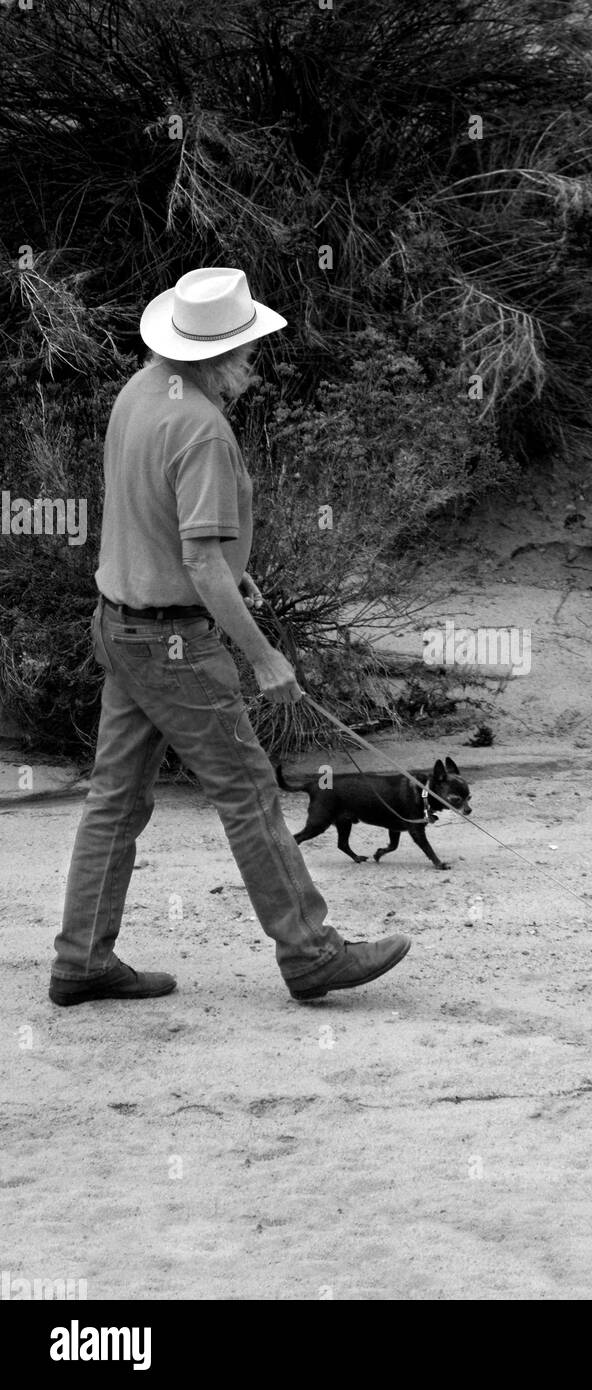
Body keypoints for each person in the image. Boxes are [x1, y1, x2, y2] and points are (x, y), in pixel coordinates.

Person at [50, 267, 410, 1006]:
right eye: (245, 350)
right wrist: (265, 654)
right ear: (211, 355)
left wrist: (219, 577)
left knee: (114, 800)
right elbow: (201, 557)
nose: (253, 363)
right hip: (173, 646)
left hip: (121, 624)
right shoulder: (203, 428)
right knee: (248, 793)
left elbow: (157, 522)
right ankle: (310, 954)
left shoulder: (140, 393)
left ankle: (82, 959)